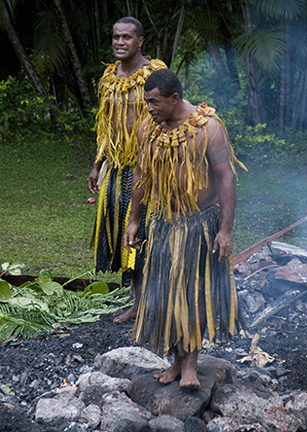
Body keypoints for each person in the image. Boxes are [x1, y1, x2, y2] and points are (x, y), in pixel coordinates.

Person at [124, 69, 246, 389]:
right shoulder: (148, 129)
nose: (148, 108)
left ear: (174, 99)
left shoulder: (209, 128)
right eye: (146, 102)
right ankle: (176, 361)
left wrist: (227, 230)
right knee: (164, 294)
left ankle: (190, 364)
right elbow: (141, 176)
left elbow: (226, 178)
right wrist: (134, 219)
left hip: (200, 224)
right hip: (163, 222)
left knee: (193, 294)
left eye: (154, 102)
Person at [87, 17, 167, 323]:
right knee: (122, 233)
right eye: (116, 37)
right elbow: (105, 128)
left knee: (145, 231)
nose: (120, 42)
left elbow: (169, 116)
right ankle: (138, 300)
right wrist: (97, 165)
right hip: (117, 168)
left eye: (127, 38)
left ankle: (152, 301)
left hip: (150, 168)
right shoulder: (109, 78)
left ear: (140, 41)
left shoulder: (154, 74)